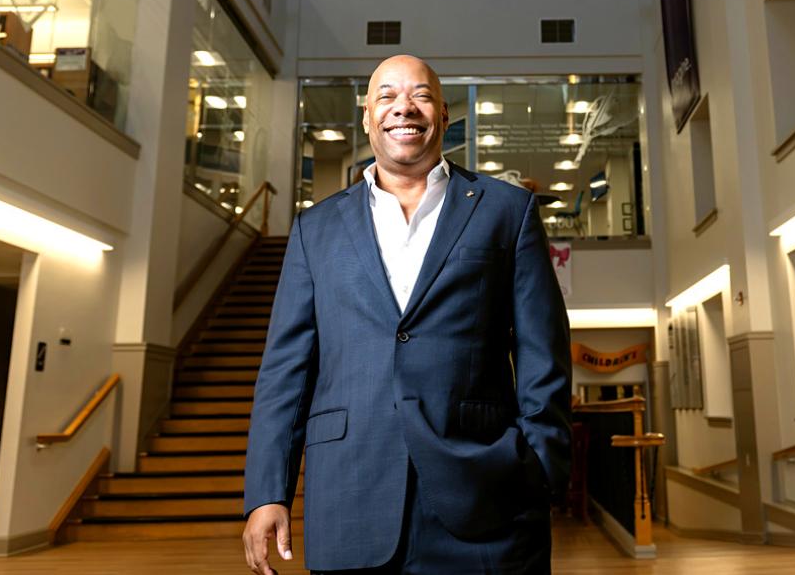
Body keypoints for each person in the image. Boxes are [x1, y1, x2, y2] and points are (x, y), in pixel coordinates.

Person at [242, 55, 572, 574]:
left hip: (486, 501)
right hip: (351, 499)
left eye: (420, 95)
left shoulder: (507, 211)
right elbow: (286, 370)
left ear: (442, 114)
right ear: (368, 116)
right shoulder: (315, 228)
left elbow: (542, 353)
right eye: (387, 96)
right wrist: (267, 492)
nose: (404, 107)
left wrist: (541, 468)